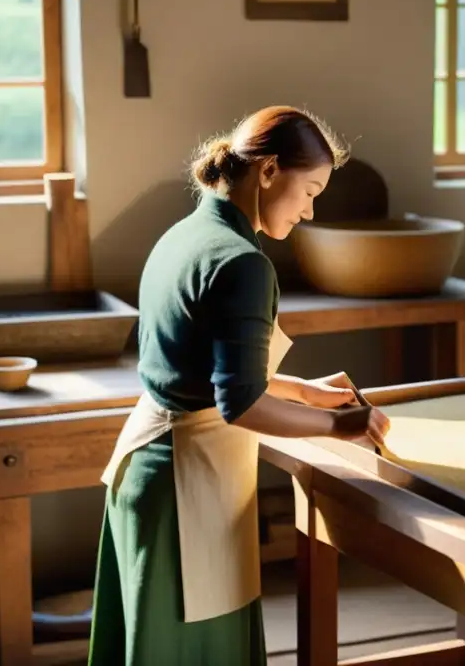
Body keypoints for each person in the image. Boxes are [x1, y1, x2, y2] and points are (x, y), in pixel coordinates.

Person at [88, 106, 390, 665]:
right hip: (186, 488)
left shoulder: (185, 235)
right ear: (270, 171)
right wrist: (340, 423)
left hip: (147, 472)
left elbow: (203, 366)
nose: (310, 210)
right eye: (310, 190)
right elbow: (241, 402)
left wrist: (301, 391)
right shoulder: (245, 265)